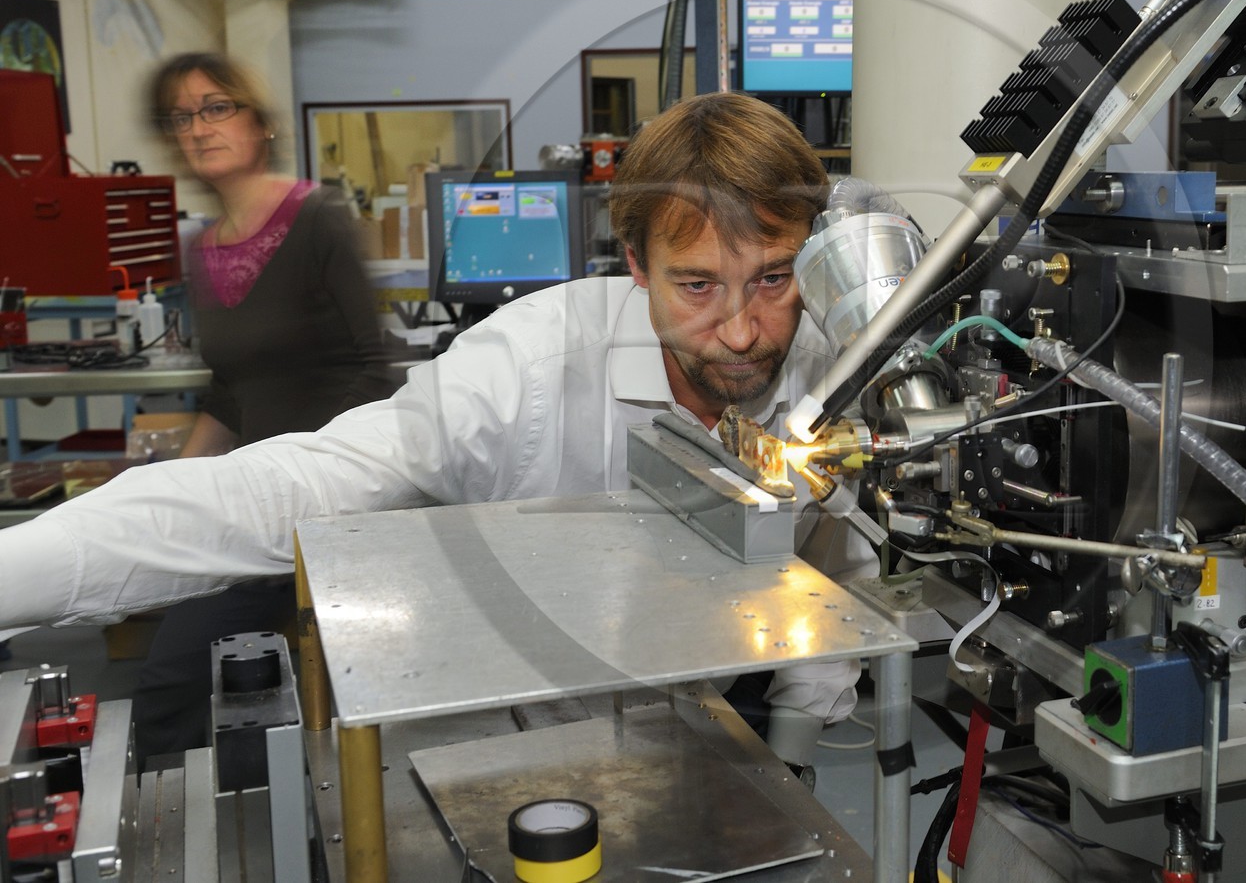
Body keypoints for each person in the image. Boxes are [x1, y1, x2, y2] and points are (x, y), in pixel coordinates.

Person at [0, 90, 869, 764]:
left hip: (697, 728)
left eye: (772, 278)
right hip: (508, 736)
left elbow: (836, 573)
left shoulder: (828, 371)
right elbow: (273, 492)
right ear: (635, 265)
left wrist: (790, 749)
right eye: (698, 285)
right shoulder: (523, 374)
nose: (745, 331)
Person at [131, 53, 394, 758]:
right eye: (182, 116)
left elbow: (375, 369)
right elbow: (229, 390)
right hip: (255, 504)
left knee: (177, 684)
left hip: (332, 504)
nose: (199, 127)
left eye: (217, 107)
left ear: (259, 122)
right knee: (180, 687)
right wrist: (172, 486)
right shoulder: (203, 249)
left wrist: (305, 476)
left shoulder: (317, 218)